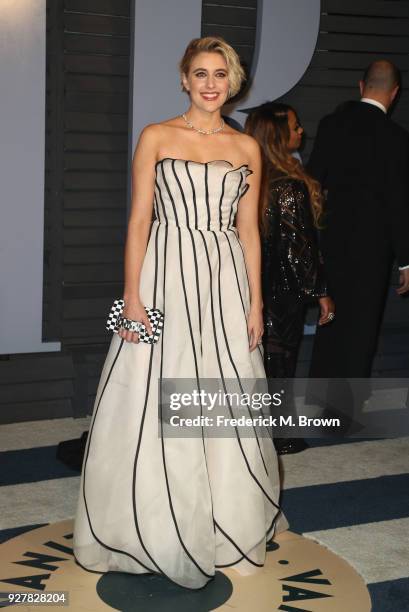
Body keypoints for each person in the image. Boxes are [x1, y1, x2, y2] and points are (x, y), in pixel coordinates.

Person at [73, 36, 287, 590]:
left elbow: (248, 233)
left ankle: (223, 521)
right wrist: (133, 294)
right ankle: (153, 519)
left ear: (232, 82)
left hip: (223, 282)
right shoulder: (156, 136)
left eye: (220, 73)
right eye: (201, 73)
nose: (211, 83)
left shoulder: (246, 149)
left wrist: (256, 301)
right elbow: (139, 222)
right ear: (185, 79)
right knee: (151, 390)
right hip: (162, 278)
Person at [308, 60, 409, 386]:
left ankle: (320, 401)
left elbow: (312, 183)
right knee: (361, 327)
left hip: (332, 240)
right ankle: (345, 411)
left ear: (361, 86)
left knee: (330, 318)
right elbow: (399, 203)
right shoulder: (396, 138)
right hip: (373, 248)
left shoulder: (330, 124)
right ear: (394, 94)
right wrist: (406, 260)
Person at [245, 103, 334, 454]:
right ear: (278, 136)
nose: (302, 132)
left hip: (250, 284)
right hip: (283, 289)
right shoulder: (288, 186)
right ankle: (280, 436)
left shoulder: (246, 177)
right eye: (295, 127)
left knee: (259, 361)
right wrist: (321, 291)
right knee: (281, 360)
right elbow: (300, 248)